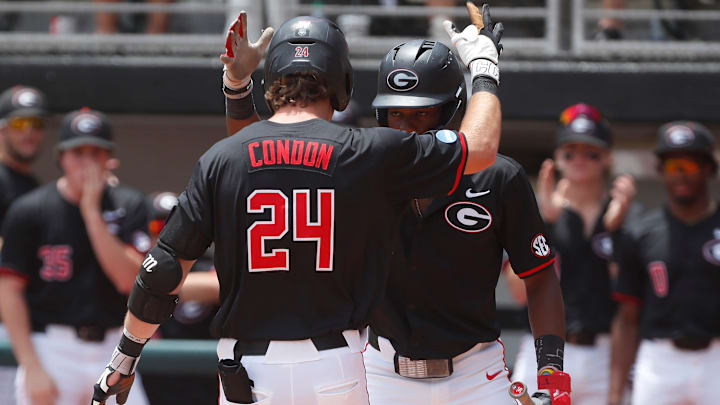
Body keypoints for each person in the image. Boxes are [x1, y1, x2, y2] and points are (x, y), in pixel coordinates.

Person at [90, 5, 505, 404]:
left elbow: (162, 273)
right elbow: (480, 149)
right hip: (337, 366)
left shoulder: (223, 156)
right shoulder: (367, 152)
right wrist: (484, 68)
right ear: (341, 80)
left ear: (273, 78)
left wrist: (125, 357)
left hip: (247, 371)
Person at [362, 17, 570, 405]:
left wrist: (551, 375)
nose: (408, 130)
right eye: (396, 114)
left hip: (476, 376)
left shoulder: (500, 178)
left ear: (453, 112)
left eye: (422, 113)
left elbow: (540, 279)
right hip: (380, 372)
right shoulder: (363, 173)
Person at [0, 108, 150, 405]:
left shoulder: (129, 204)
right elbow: (8, 290)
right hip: (51, 346)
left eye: (96, 153)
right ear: (61, 157)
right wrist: (31, 365)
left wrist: (91, 212)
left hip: (113, 346)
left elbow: (128, 281)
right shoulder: (30, 210)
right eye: (78, 153)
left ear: (110, 158)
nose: (87, 162)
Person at [509, 103, 639, 405]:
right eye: (570, 152)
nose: (580, 160)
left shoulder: (625, 216)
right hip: (545, 347)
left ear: (607, 158)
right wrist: (545, 226)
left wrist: (618, 230)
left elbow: (631, 295)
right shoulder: (540, 215)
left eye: (591, 153)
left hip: (604, 352)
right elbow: (518, 291)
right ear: (557, 157)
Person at [610, 121, 720, 405]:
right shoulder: (641, 232)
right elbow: (627, 317)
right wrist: (615, 394)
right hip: (659, 360)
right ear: (660, 171)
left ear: (708, 168)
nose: (681, 175)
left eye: (689, 165)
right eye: (673, 167)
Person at [140, 192, 219, 405]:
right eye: (159, 226)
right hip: (156, 382)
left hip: (205, 379)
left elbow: (223, 287)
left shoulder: (206, 265)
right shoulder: (139, 265)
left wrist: (154, 287)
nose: (168, 235)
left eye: (176, 226)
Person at [0, 84, 49, 405]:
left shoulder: (32, 186)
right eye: (19, 124)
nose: (29, 132)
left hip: (22, 323)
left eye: (36, 124)